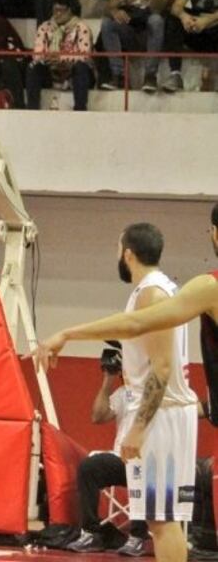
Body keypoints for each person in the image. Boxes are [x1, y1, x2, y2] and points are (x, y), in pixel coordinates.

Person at [37, 222, 201, 562]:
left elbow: (162, 367)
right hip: (165, 413)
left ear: (127, 253)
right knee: (162, 522)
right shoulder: (154, 290)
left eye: (117, 247)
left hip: (162, 415)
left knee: (163, 522)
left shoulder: (151, 292)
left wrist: (138, 429)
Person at [64, 342, 150, 556]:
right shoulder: (124, 393)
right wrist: (108, 379)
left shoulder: (158, 389)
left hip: (150, 461)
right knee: (89, 467)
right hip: (121, 458)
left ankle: (138, 537)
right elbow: (98, 416)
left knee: (138, 467)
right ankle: (92, 533)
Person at [98, 0, 178, 92]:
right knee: (107, 23)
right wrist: (115, 11)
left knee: (155, 19)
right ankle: (119, 76)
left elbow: (157, 9)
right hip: (132, 32)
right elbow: (108, 7)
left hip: (155, 35)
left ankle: (150, 75)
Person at [25, 0, 94, 111]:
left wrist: (61, 58)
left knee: (81, 67)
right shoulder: (45, 27)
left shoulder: (82, 27)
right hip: (51, 71)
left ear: (70, 10)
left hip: (73, 72)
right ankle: (32, 108)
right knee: (33, 67)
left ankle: (80, 109)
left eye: (60, 11)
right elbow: (37, 54)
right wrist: (48, 58)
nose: (56, 14)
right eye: (54, 10)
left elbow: (84, 55)